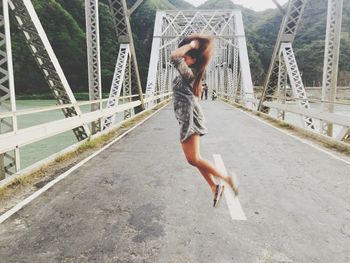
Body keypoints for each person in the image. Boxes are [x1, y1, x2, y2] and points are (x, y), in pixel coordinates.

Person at [170, 34, 238, 208]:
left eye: (187, 57)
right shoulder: (193, 75)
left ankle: (226, 179)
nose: (183, 58)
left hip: (189, 119)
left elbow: (174, 56)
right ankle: (215, 186)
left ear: (193, 60)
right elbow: (197, 96)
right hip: (188, 117)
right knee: (195, 158)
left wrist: (191, 44)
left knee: (193, 159)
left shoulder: (189, 74)